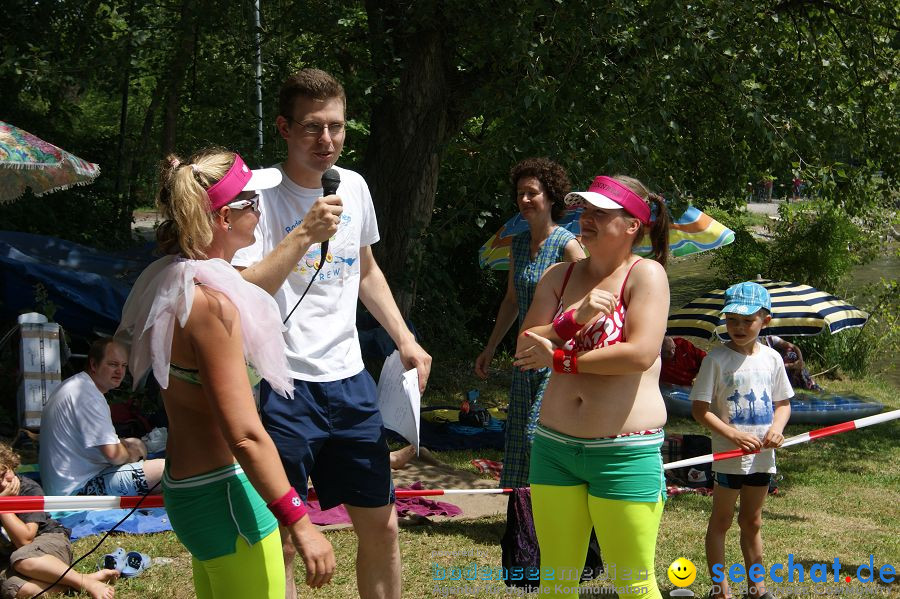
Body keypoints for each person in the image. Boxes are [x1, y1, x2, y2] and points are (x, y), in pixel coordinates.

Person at [231, 68, 431, 599]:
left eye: (336, 127)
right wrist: (303, 234)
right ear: (284, 128)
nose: (326, 141)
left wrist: (405, 338)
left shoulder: (355, 186)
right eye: (312, 128)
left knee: (383, 526)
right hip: (281, 384)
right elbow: (243, 289)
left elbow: (365, 269)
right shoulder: (257, 193)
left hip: (350, 382)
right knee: (284, 537)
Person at [115, 149, 335, 599]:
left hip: (191, 489)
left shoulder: (173, 279)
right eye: (251, 202)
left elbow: (248, 282)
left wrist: (303, 237)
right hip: (226, 494)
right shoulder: (212, 305)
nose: (259, 210)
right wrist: (300, 521)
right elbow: (245, 435)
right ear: (222, 218)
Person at [513, 174, 671, 597]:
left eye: (602, 212)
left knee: (633, 584)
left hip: (624, 453)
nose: (588, 218)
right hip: (554, 449)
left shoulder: (646, 275)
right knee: (557, 583)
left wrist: (562, 358)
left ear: (633, 225)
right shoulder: (558, 276)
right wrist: (572, 318)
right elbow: (525, 349)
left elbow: (639, 354)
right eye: (585, 209)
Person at [474, 158, 585, 488]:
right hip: (524, 357)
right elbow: (511, 300)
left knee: (540, 435)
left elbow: (586, 306)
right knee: (521, 436)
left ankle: (555, 507)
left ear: (551, 197)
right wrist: (491, 347)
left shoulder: (568, 246)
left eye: (532, 192)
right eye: (520, 193)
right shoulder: (519, 244)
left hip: (556, 358)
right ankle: (524, 515)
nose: (524, 200)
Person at [690, 282, 793, 599]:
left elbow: (783, 404)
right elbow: (699, 410)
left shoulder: (773, 359)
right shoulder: (716, 360)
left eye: (747, 320)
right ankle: (720, 589)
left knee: (753, 521)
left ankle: (756, 588)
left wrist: (777, 428)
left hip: (762, 458)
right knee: (721, 521)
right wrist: (732, 434)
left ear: (766, 320)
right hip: (729, 458)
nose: (738, 327)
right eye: (732, 319)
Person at [38, 339, 164, 497]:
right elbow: (114, 455)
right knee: (166, 471)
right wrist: (132, 455)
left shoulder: (76, 386)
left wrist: (129, 446)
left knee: (136, 443)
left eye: (123, 366)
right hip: (76, 492)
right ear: (93, 365)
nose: (120, 371)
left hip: (63, 484)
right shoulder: (88, 396)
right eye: (113, 364)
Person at [0, 442, 119, 599]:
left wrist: (2, 506)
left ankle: (86, 583)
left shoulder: (28, 489)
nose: (3, 483)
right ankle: (81, 580)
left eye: (3, 475)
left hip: (47, 543)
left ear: (11, 465)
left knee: (22, 559)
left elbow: (25, 540)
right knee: (11, 588)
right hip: (14, 558)